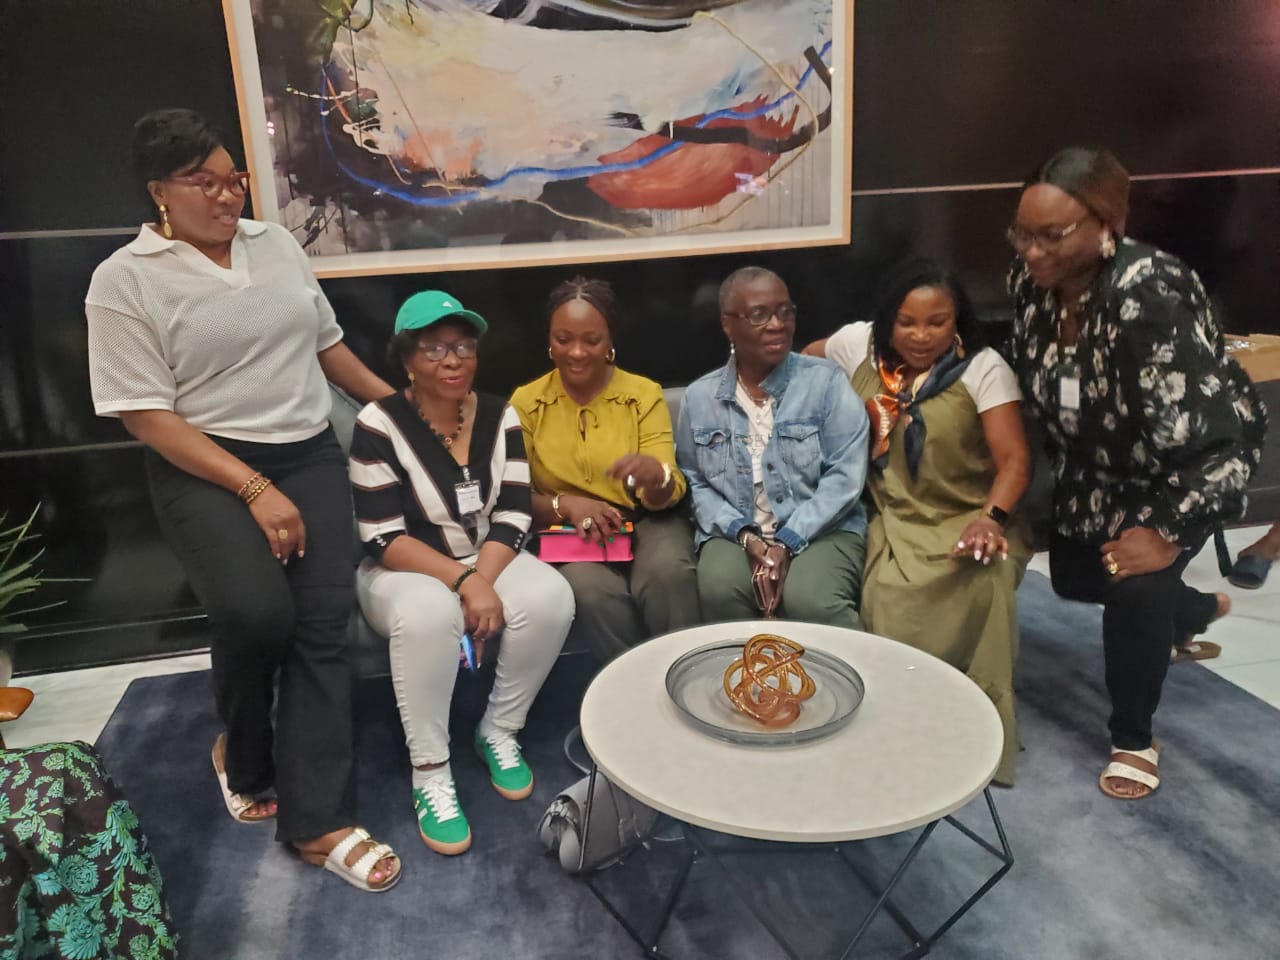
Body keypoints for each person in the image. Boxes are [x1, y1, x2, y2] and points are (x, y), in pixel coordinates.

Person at [85, 109, 400, 891]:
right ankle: (243, 752)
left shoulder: (276, 245)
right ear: (160, 191)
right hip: (202, 464)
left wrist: (402, 415)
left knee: (322, 626)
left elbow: (327, 348)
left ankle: (318, 821)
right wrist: (253, 488)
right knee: (257, 614)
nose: (228, 196)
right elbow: (144, 414)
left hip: (308, 451)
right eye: (205, 183)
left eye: (236, 180)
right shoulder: (124, 279)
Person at [1005, 145, 1265, 800]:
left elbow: (1214, 439)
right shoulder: (1034, 282)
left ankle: (1134, 737)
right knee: (1075, 574)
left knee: (1134, 583)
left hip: (1184, 468)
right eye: (1022, 233)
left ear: (1106, 226)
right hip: (1097, 468)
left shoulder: (1147, 296)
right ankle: (1193, 610)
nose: (1032, 251)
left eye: (1051, 235)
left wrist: (1168, 532)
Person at [350, 291, 573, 856]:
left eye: (463, 347)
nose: (452, 360)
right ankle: (430, 771)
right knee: (429, 614)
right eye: (435, 349)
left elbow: (515, 512)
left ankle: (498, 729)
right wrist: (465, 582)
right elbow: (382, 535)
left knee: (550, 596)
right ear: (406, 359)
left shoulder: (502, 415)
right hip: (402, 569)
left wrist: (482, 578)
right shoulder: (378, 423)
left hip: (485, 556)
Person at [805, 260, 1032, 785]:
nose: (922, 335)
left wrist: (991, 519)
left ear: (958, 320)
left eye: (937, 322)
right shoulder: (857, 346)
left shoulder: (983, 368)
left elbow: (1016, 461)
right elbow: (802, 361)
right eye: (907, 322)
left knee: (988, 576)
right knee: (886, 592)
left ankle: (977, 734)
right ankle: (899, 725)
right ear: (888, 319)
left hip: (970, 513)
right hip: (892, 511)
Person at [509, 277, 699, 662]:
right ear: (549, 341)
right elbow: (513, 496)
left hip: (647, 520)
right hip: (570, 530)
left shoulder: (642, 394)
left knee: (669, 574)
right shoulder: (527, 402)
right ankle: (631, 682)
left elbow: (668, 486)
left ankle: (685, 673)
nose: (577, 352)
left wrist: (655, 479)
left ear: (610, 341)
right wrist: (568, 505)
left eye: (592, 340)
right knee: (590, 591)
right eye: (564, 339)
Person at [675, 266, 870, 627]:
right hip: (734, 530)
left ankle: (853, 665)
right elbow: (694, 482)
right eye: (759, 315)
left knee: (811, 599)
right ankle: (750, 665)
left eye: (785, 312)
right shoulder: (700, 397)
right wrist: (746, 536)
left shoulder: (826, 383)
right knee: (721, 588)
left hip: (823, 527)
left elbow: (845, 477)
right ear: (728, 324)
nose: (777, 324)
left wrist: (788, 541)